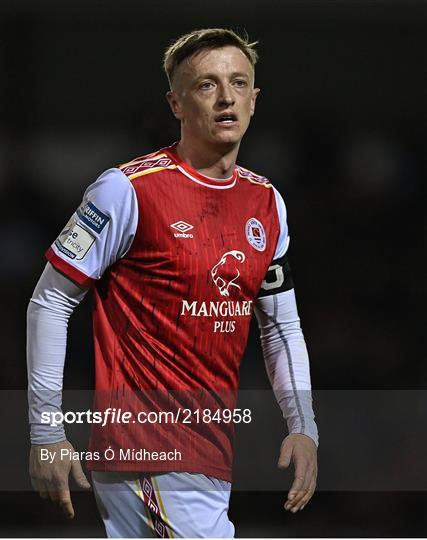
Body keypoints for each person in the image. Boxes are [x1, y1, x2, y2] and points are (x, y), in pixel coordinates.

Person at [27, 28, 318, 538]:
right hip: (145, 447)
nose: (226, 96)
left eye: (238, 82)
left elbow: (280, 327)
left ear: (254, 98)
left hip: (210, 451)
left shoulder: (267, 203)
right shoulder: (125, 190)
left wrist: (303, 425)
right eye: (206, 85)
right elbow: (50, 300)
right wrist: (46, 431)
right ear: (176, 103)